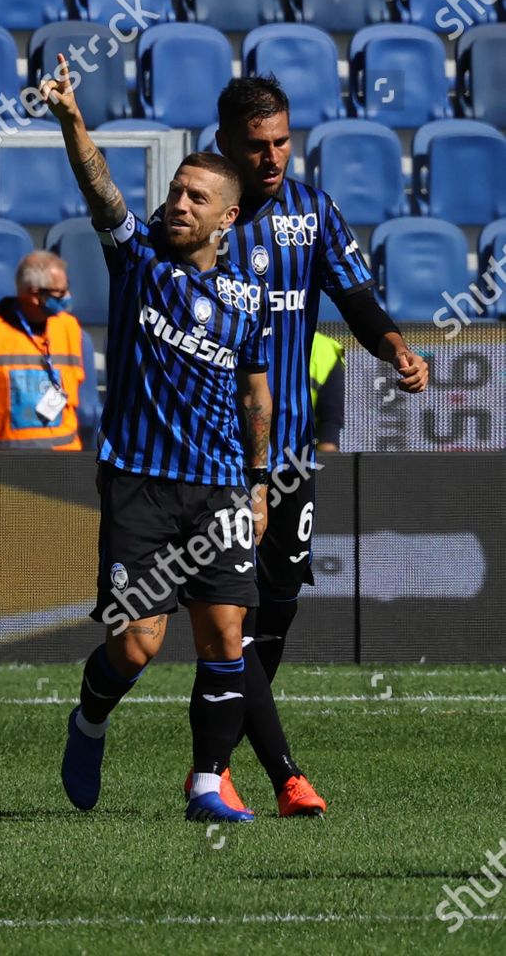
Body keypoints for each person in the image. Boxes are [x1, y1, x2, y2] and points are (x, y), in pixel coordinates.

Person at [167, 76, 429, 817]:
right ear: (227, 145)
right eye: (258, 145)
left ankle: (209, 773)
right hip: (218, 458)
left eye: (283, 140)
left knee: (272, 615)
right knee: (230, 618)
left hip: (292, 456)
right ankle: (281, 775)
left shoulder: (313, 213)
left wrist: (395, 349)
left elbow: (354, 298)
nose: (275, 155)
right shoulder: (197, 222)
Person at [38, 55, 275, 823]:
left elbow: (255, 391)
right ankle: (90, 719)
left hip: (220, 489)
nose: (178, 204)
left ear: (226, 218)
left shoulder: (248, 298)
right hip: (139, 481)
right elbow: (100, 189)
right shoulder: (136, 258)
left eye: (195, 197)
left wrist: (261, 479)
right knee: (137, 644)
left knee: (225, 634)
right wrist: (74, 119)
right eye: (175, 191)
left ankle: (207, 781)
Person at [0, 251, 97, 450]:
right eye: (60, 293)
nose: (68, 298)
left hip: (62, 469)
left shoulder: (69, 329)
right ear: (35, 294)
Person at [311, 330, 345, 453]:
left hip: (299, 455)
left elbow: (330, 420)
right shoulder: (252, 336)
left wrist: (327, 468)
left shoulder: (322, 348)